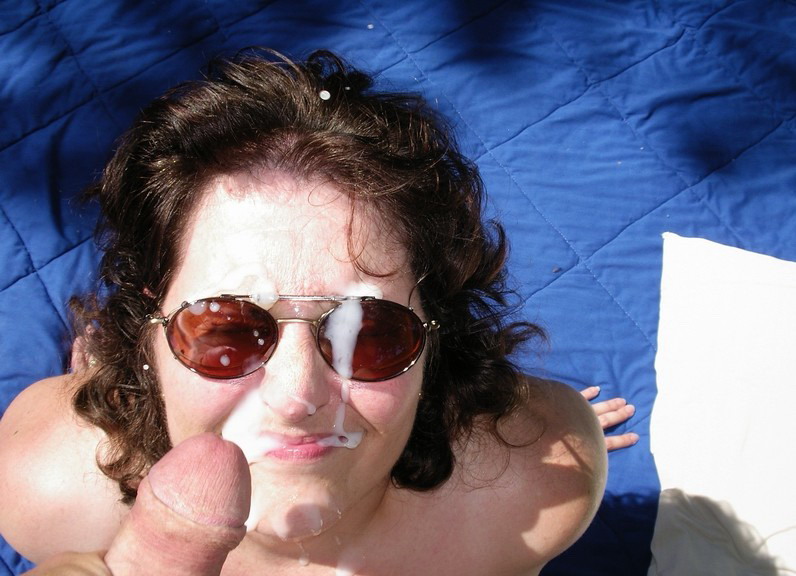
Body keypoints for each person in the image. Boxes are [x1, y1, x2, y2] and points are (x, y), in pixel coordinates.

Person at [0, 49, 636, 575]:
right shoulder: (47, 492)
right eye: (226, 330)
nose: (297, 397)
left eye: (370, 333)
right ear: (149, 330)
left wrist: (528, 435)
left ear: (436, 342)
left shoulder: (529, 498)